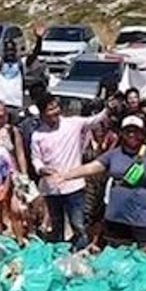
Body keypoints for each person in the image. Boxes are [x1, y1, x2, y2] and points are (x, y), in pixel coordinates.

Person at [51, 115, 146, 257]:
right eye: (128, 131)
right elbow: (92, 167)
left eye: (136, 131)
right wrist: (66, 176)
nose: (132, 134)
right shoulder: (113, 155)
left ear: (142, 133)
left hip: (143, 216)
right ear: (122, 133)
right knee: (117, 255)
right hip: (117, 214)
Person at [30, 94, 106, 249]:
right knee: (56, 225)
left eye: (56, 107)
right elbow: (35, 158)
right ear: (43, 113)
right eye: (50, 109)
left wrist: (109, 107)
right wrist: (41, 169)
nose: (55, 111)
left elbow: (96, 119)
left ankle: (78, 255)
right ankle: (59, 255)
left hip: (74, 186)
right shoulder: (38, 135)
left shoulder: (73, 123)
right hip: (51, 188)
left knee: (78, 225)